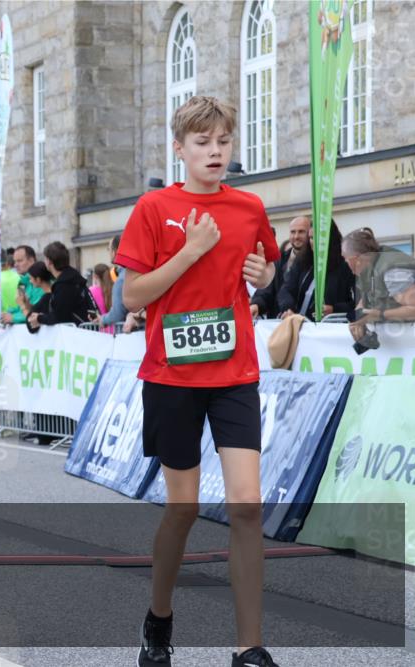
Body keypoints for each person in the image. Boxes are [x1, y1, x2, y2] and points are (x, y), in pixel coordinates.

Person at [116, 96, 280, 667]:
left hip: (234, 373)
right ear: (180, 149)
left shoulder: (250, 206)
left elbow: (268, 265)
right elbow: (132, 296)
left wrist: (265, 274)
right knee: (182, 509)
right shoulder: (153, 207)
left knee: (246, 507)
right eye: (203, 142)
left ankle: (249, 648)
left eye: (223, 142)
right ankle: (158, 620)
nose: (214, 152)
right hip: (171, 376)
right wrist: (189, 252)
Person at [342, 227, 415, 342]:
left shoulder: (392, 272)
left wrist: (380, 315)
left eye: (345, 259)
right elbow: (365, 299)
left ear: (355, 259)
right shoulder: (370, 266)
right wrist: (357, 318)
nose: (345, 263)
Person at [277, 219, 355, 320]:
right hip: (301, 323)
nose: (314, 242)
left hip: (330, 325)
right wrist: (288, 308)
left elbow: (357, 302)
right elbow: (286, 289)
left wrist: (334, 309)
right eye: (311, 238)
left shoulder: (345, 264)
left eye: (319, 238)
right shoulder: (302, 261)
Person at [250, 216, 310, 319]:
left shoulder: (316, 263)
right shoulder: (279, 260)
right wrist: (257, 305)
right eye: (293, 232)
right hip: (277, 324)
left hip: (306, 325)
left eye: (301, 232)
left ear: (310, 233)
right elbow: (266, 289)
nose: (296, 236)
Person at [27, 241, 94, 330]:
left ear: (49, 262)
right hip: (83, 331)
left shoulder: (64, 284)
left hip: (78, 334)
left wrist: (39, 318)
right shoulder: (72, 277)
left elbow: (59, 316)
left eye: (45, 259)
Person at [90, 263, 115, 334]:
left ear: (95, 276)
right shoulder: (114, 289)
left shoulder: (92, 291)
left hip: (101, 330)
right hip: (117, 329)